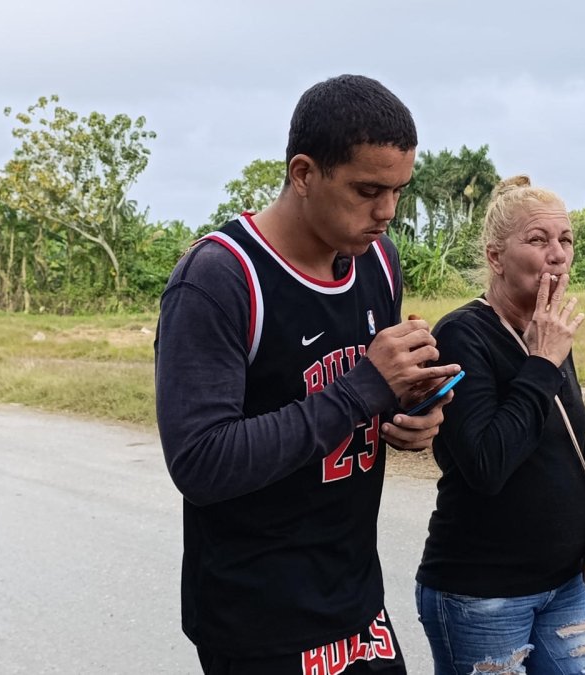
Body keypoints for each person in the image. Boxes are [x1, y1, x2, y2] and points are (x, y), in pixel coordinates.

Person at [155, 74, 459, 675]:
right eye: (368, 189)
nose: (387, 212)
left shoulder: (378, 261)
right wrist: (366, 387)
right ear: (303, 173)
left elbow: (363, 399)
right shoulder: (219, 278)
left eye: (400, 190)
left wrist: (415, 412)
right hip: (258, 619)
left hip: (357, 601)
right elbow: (200, 462)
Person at [414, 176, 585, 675]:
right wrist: (542, 362)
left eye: (566, 240)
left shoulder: (550, 334)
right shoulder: (462, 336)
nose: (557, 254)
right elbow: (489, 465)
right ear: (495, 257)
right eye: (538, 240)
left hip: (563, 585)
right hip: (482, 594)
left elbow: (556, 456)